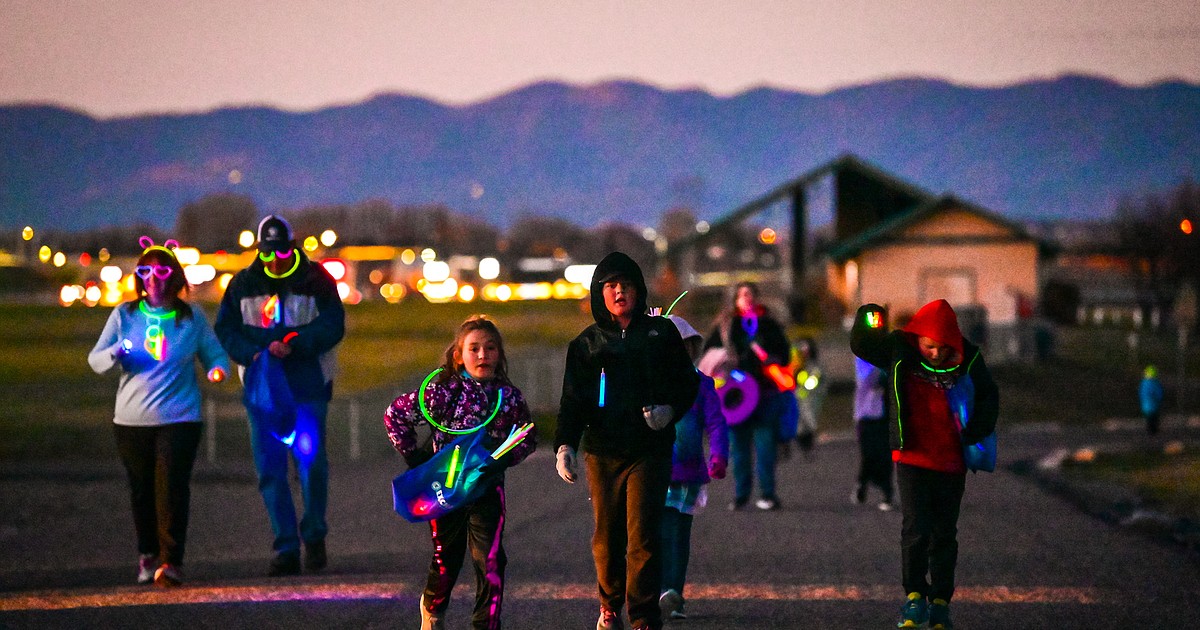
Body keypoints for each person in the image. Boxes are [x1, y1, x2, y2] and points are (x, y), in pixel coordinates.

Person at [554, 251, 700, 630]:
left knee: (643, 536)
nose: (620, 292)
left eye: (627, 285)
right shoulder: (585, 345)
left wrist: (670, 410)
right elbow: (572, 401)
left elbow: (688, 383)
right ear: (598, 293)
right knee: (606, 538)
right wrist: (565, 446)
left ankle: (643, 615)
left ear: (639, 289)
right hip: (602, 452)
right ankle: (609, 604)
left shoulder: (661, 334)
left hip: (649, 450)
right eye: (611, 286)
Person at [88, 239, 231, 587]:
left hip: (180, 417)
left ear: (175, 276)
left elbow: (215, 355)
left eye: (163, 271)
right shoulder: (124, 314)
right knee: (141, 490)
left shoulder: (192, 317)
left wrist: (217, 370)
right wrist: (116, 353)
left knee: (172, 488)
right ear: (139, 277)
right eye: (146, 271)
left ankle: (171, 562)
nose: (155, 278)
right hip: (132, 420)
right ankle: (147, 555)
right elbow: (95, 360)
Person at [851, 299, 999, 630]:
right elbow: (861, 344)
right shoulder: (899, 348)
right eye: (930, 346)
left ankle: (941, 603)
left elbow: (989, 395)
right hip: (912, 456)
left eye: (943, 348)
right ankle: (915, 598)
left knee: (944, 533)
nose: (935, 354)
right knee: (916, 528)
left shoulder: (969, 356)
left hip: (951, 460)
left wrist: (976, 430)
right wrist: (869, 317)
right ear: (918, 337)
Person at [384, 315, 535, 630]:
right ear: (459, 355)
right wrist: (416, 458)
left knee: (490, 560)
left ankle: (486, 623)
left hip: (486, 487)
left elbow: (526, 437)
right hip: (445, 490)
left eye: (490, 348)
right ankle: (433, 609)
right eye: (474, 348)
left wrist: (503, 458)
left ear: (500, 354)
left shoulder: (508, 397)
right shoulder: (443, 390)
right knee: (446, 560)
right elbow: (395, 414)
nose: (483, 355)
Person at [214, 214, 345, 576]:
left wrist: (296, 343)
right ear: (260, 251)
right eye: (268, 254)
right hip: (263, 391)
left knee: (311, 465)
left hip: (308, 387)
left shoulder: (317, 280)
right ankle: (286, 548)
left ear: (293, 248)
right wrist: (254, 352)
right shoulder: (243, 284)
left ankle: (314, 534)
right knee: (270, 470)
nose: (276, 261)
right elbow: (226, 329)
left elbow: (334, 323)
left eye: (282, 253)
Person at [658, 314, 728, 621]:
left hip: (686, 474)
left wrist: (719, 456)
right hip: (652, 471)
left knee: (677, 535)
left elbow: (716, 423)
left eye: (682, 346)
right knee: (654, 535)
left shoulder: (702, 385)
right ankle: (658, 593)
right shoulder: (647, 384)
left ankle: (673, 594)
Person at [703, 281, 792, 511]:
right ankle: (741, 495)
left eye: (751, 293)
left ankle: (768, 494)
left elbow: (785, 353)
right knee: (739, 449)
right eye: (742, 294)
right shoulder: (726, 326)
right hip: (735, 397)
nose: (747, 298)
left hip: (765, 394)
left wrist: (775, 359)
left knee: (765, 448)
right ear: (735, 300)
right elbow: (708, 355)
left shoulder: (769, 324)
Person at [853, 356, 895, 510]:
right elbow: (868, 381)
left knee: (885, 455)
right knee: (869, 455)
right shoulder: (863, 358)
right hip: (867, 414)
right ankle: (862, 484)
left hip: (885, 414)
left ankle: (887, 493)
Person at [1140, 364, 1164, 435]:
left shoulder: (1144, 383)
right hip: (1153, 403)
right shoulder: (1154, 383)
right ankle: (1153, 430)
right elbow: (1159, 392)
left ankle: (1150, 430)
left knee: (1149, 417)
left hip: (1147, 403)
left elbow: (1142, 393)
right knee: (1154, 417)